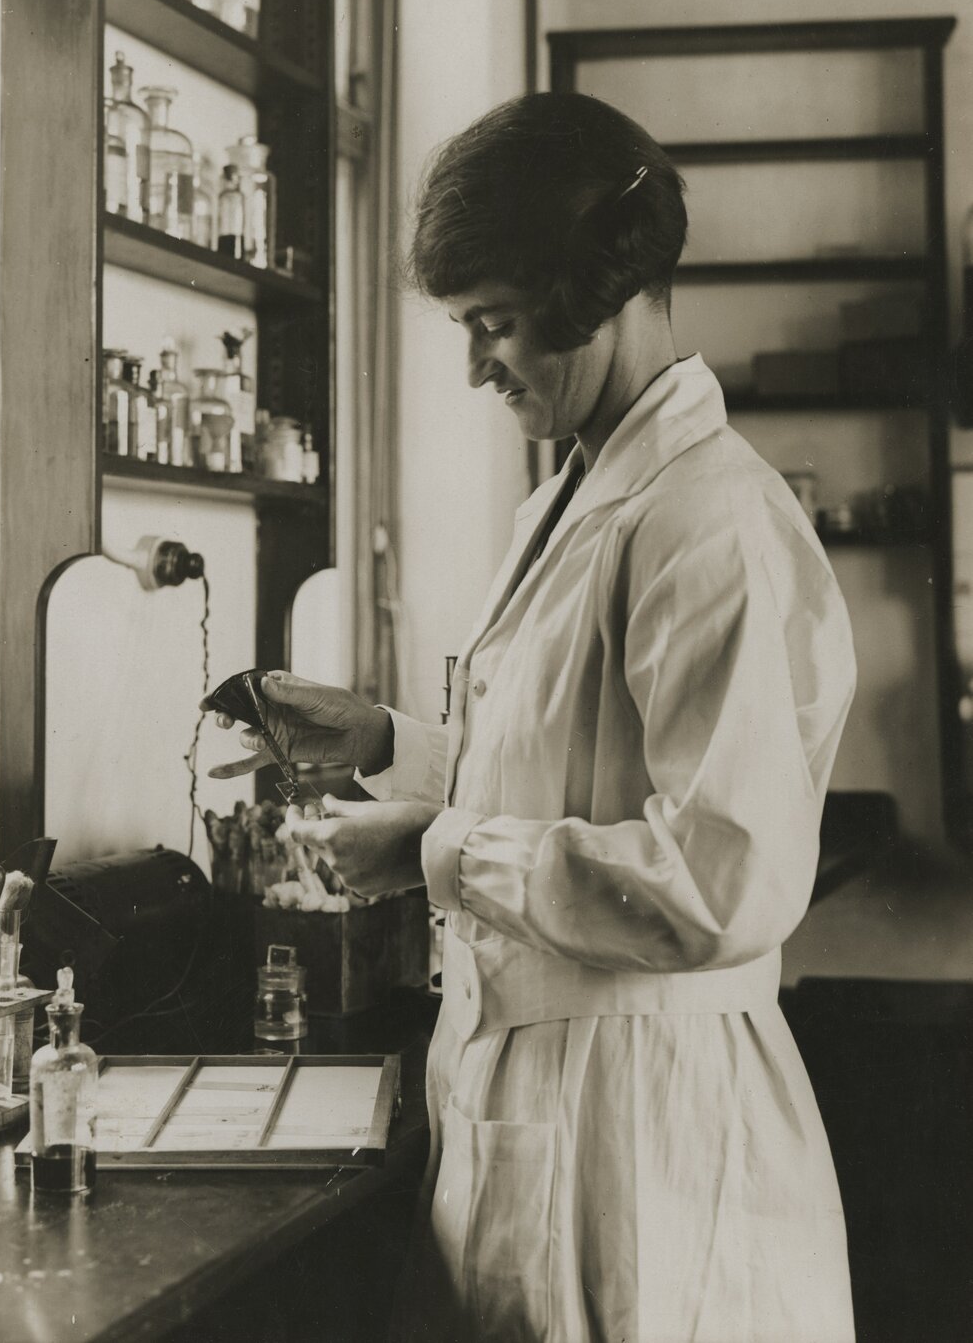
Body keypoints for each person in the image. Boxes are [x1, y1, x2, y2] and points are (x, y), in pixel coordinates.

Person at [206, 93, 857, 1342]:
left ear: (588, 288)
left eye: (493, 325)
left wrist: (433, 848)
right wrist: (392, 743)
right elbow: (587, 772)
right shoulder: (578, 495)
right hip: (556, 1108)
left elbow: (721, 877)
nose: (474, 367)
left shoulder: (706, 522)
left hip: (650, 1139)